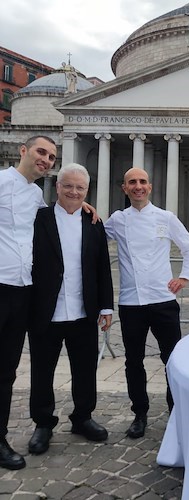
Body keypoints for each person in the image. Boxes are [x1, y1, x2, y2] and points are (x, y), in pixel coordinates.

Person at [27, 163, 113, 455]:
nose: (74, 192)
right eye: (68, 186)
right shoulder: (38, 218)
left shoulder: (94, 223)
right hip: (45, 310)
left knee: (85, 369)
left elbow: (103, 267)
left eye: (80, 188)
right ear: (58, 186)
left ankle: (83, 417)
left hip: (82, 311)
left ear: (87, 191)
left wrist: (106, 307)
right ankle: (43, 423)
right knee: (42, 371)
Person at [104, 167, 189, 439]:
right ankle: (140, 413)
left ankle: (175, 412)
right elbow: (93, 232)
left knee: (172, 359)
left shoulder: (165, 217)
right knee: (133, 361)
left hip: (163, 301)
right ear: (124, 188)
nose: (138, 186)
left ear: (150, 186)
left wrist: (184, 277)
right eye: (132, 182)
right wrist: (85, 206)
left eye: (142, 181)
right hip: (132, 303)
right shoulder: (118, 220)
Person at [0, 135, 57, 469]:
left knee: (6, 371)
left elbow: (50, 225)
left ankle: (0, 437)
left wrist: (84, 208)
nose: (46, 160)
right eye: (41, 152)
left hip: (22, 291)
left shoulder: (37, 194)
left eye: (51, 156)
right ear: (23, 151)